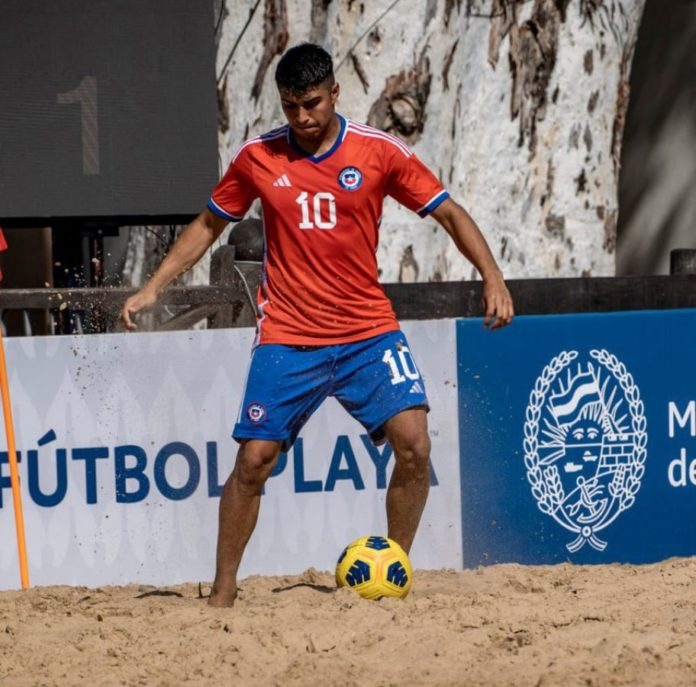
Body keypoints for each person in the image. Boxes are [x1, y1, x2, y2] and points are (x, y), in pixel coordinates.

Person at [121, 43, 514, 607]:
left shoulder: (379, 152)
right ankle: (222, 596)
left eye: (310, 103)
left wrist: (492, 275)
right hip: (288, 335)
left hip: (367, 332)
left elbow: (448, 210)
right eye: (289, 107)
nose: (302, 118)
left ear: (334, 93)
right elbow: (210, 223)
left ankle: (391, 574)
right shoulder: (259, 156)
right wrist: (154, 286)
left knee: (415, 445)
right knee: (253, 461)